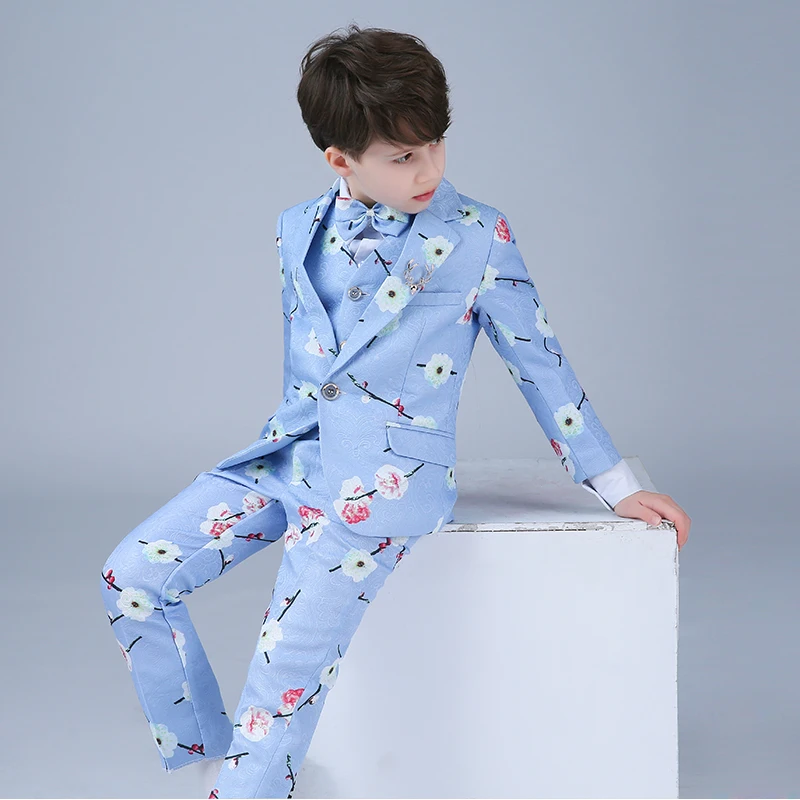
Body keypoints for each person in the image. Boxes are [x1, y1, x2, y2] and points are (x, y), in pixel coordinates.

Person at [99, 23, 691, 800]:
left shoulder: (477, 237)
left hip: (380, 489)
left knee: (280, 679)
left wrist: (613, 484)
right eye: (404, 156)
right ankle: (210, 759)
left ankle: (246, 784)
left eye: (437, 143)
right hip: (285, 459)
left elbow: (540, 363)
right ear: (340, 160)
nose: (431, 169)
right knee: (132, 577)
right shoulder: (294, 229)